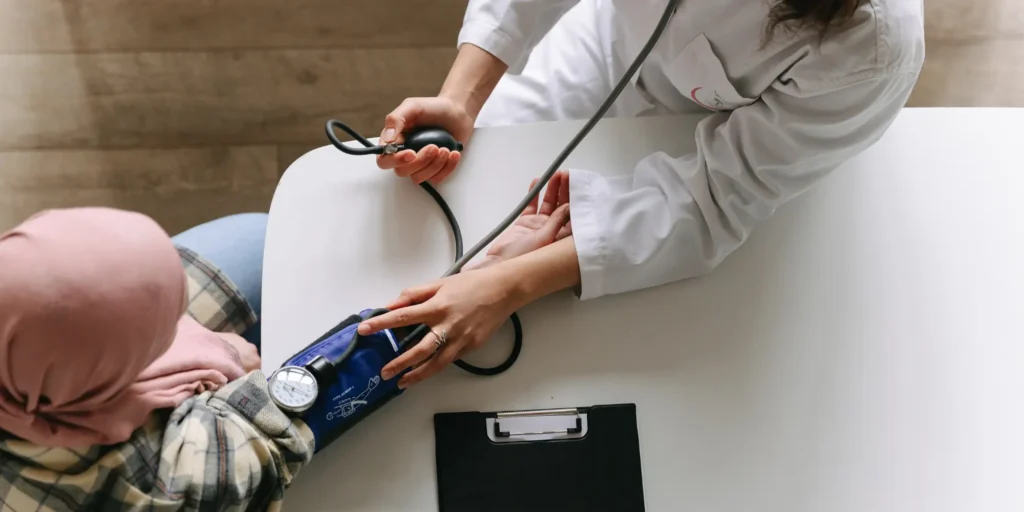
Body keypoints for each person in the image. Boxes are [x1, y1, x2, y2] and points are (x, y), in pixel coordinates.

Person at [363, 0, 926, 388]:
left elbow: (716, 198)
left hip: (723, 131)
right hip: (600, 48)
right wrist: (462, 98)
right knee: (445, 213)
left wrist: (508, 286)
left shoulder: (870, 45)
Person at [0, 208, 313, 510]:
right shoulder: (117, 482)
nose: (179, 321)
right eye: (165, 333)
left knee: (261, 234)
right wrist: (235, 375)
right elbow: (253, 456)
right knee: (271, 239)